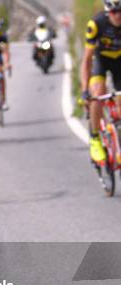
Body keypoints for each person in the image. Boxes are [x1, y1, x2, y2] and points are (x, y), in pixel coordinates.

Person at [81, 0, 121, 165]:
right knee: (98, 93)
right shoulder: (96, 24)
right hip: (101, 60)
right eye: (114, 12)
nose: (118, 15)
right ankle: (95, 137)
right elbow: (87, 61)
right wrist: (85, 91)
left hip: (119, 61)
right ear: (107, 12)